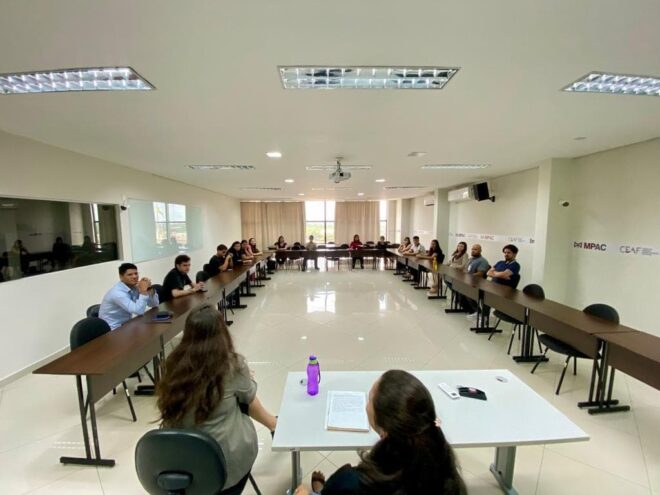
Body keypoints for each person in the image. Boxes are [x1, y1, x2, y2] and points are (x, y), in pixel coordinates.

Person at [157, 304, 277, 494]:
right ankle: (274, 425)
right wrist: (247, 378)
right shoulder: (232, 364)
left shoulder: (172, 363)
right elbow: (248, 395)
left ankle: (273, 424)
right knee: (242, 402)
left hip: (180, 463)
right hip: (224, 466)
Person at [294, 370, 466, 495]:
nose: (366, 405)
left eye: (369, 400)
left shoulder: (351, 483)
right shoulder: (445, 474)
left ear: (384, 432)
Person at [99, 262, 159, 329]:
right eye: (130, 274)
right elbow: (138, 311)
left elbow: (154, 304)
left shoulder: (135, 287)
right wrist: (143, 291)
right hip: (113, 328)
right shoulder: (117, 293)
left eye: (136, 273)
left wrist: (149, 289)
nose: (134, 277)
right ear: (121, 277)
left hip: (127, 324)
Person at [460, 244, 490, 316]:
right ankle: (469, 309)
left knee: (467, 292)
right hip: (468, 281)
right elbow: (466, 269)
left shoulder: (483, 261)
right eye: (472, 249)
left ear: (480, 250)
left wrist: (468, 276)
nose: (473, 251)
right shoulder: (471, 259)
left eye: (475, 249)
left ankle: (477, 311)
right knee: (459, 288)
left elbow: (480, 274)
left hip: (477, 283)